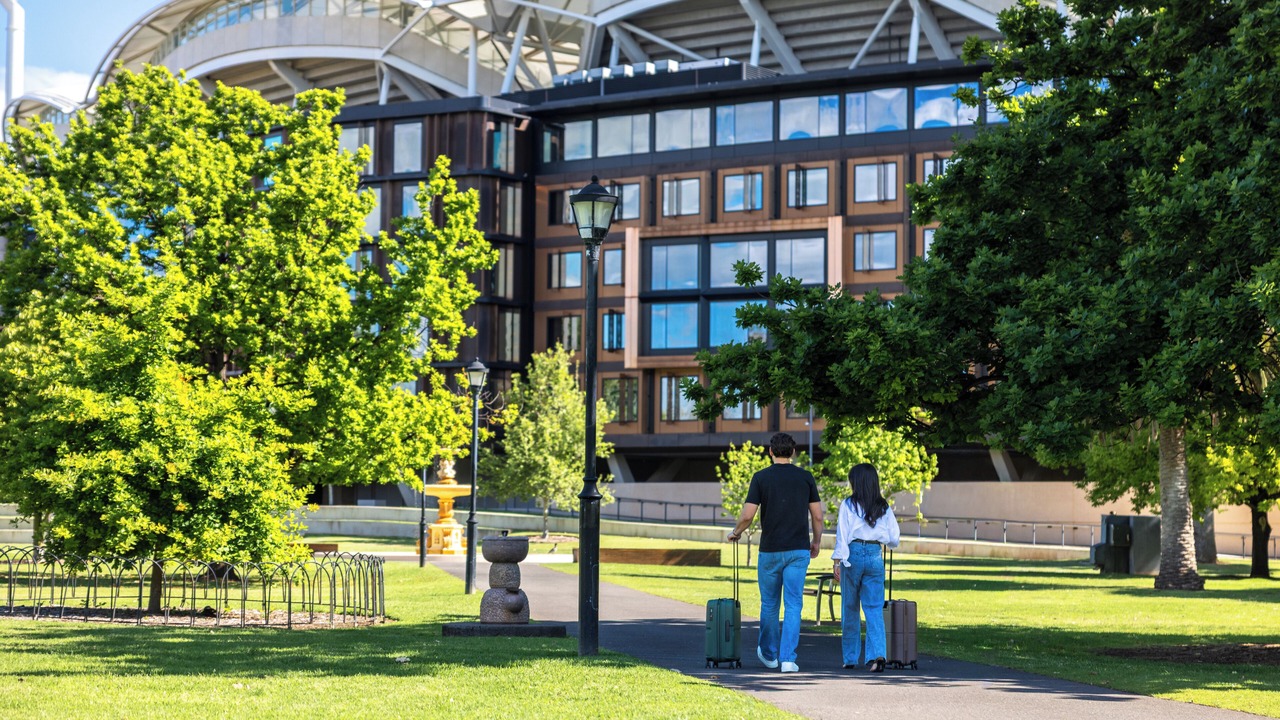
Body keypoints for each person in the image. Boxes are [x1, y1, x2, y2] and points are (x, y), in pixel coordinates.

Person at [727, 432, 823, 674]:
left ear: (771, 452)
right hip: (798, 551)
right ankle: (788, 659)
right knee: (793, 605)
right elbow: (818, 516)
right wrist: (817, 542)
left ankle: (769, 655)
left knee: (770, 604)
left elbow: (748, 515)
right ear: (793, 452)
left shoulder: (761, 478)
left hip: (770, 551)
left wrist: (736, 532)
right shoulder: (806, 478)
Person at [831, 462, 901, 672]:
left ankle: (850, 657)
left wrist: (837, 560)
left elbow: (842, 535)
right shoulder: (884, 507)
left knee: (850, 607)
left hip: (852, 555)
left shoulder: (848, 504)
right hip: (874, 555)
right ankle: (878, 654)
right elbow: (894, 538)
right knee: (873, 608)